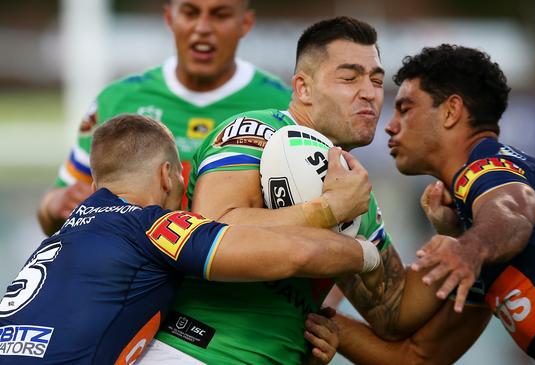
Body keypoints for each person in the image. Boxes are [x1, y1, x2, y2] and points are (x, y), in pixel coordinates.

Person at [144, 16, 449, 365]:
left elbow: (392, 311)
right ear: (303, 88)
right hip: (194, 351)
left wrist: (464, 241)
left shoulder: (353, 185)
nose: (369, 92)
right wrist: (329, 212)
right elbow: (215, 231)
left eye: (376, 80)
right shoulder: (257, 130)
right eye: (349, 77)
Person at [344, 44, 535, 364]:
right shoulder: (482, 229)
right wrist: (331, 327)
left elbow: (516, 211)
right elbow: (421, 357)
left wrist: (466, 250)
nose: (390, 126)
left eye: (405, 109)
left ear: (450, 111)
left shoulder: (487, 167)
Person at [0, 114, 381, 364]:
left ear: (98, 184)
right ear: (168, 176)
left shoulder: (63, 237)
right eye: (182, 184)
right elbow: (294, 255)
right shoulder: (150, 226)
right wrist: (354, 238)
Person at [37, 0, 292, 236]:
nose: (203, 28)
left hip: (239, 282)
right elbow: (53, 209)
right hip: (140, 283)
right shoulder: (117, 100)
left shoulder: (282, 106)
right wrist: (55, 206)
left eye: (220, 15)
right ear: (170, 17)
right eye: (190, 13)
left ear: (245, 23)